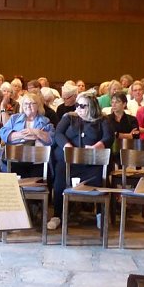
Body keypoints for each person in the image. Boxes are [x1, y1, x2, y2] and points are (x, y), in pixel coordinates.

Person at [49, 92, 114, 231]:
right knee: (60, 178)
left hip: (92, 161)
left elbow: (109, 137)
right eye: (77, 105)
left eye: (82, 106)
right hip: (69, 161)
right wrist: (68, 146)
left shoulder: (102, 120)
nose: (78, 108)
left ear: (92, 107)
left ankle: (100, 214)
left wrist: (96, 147)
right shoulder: (69, 117)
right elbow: (58, 134)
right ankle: (57, 215)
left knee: (98, 179)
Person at [0, 92, 55, 178]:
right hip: (15, 159)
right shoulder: (14, 118)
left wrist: (36, 132)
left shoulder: (45, 121)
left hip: (36, 160)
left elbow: (51, 139)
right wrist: (21, 135)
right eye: (25, 103)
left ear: (38, 106)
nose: (28, 106)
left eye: (32, 103)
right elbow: (3, 133)